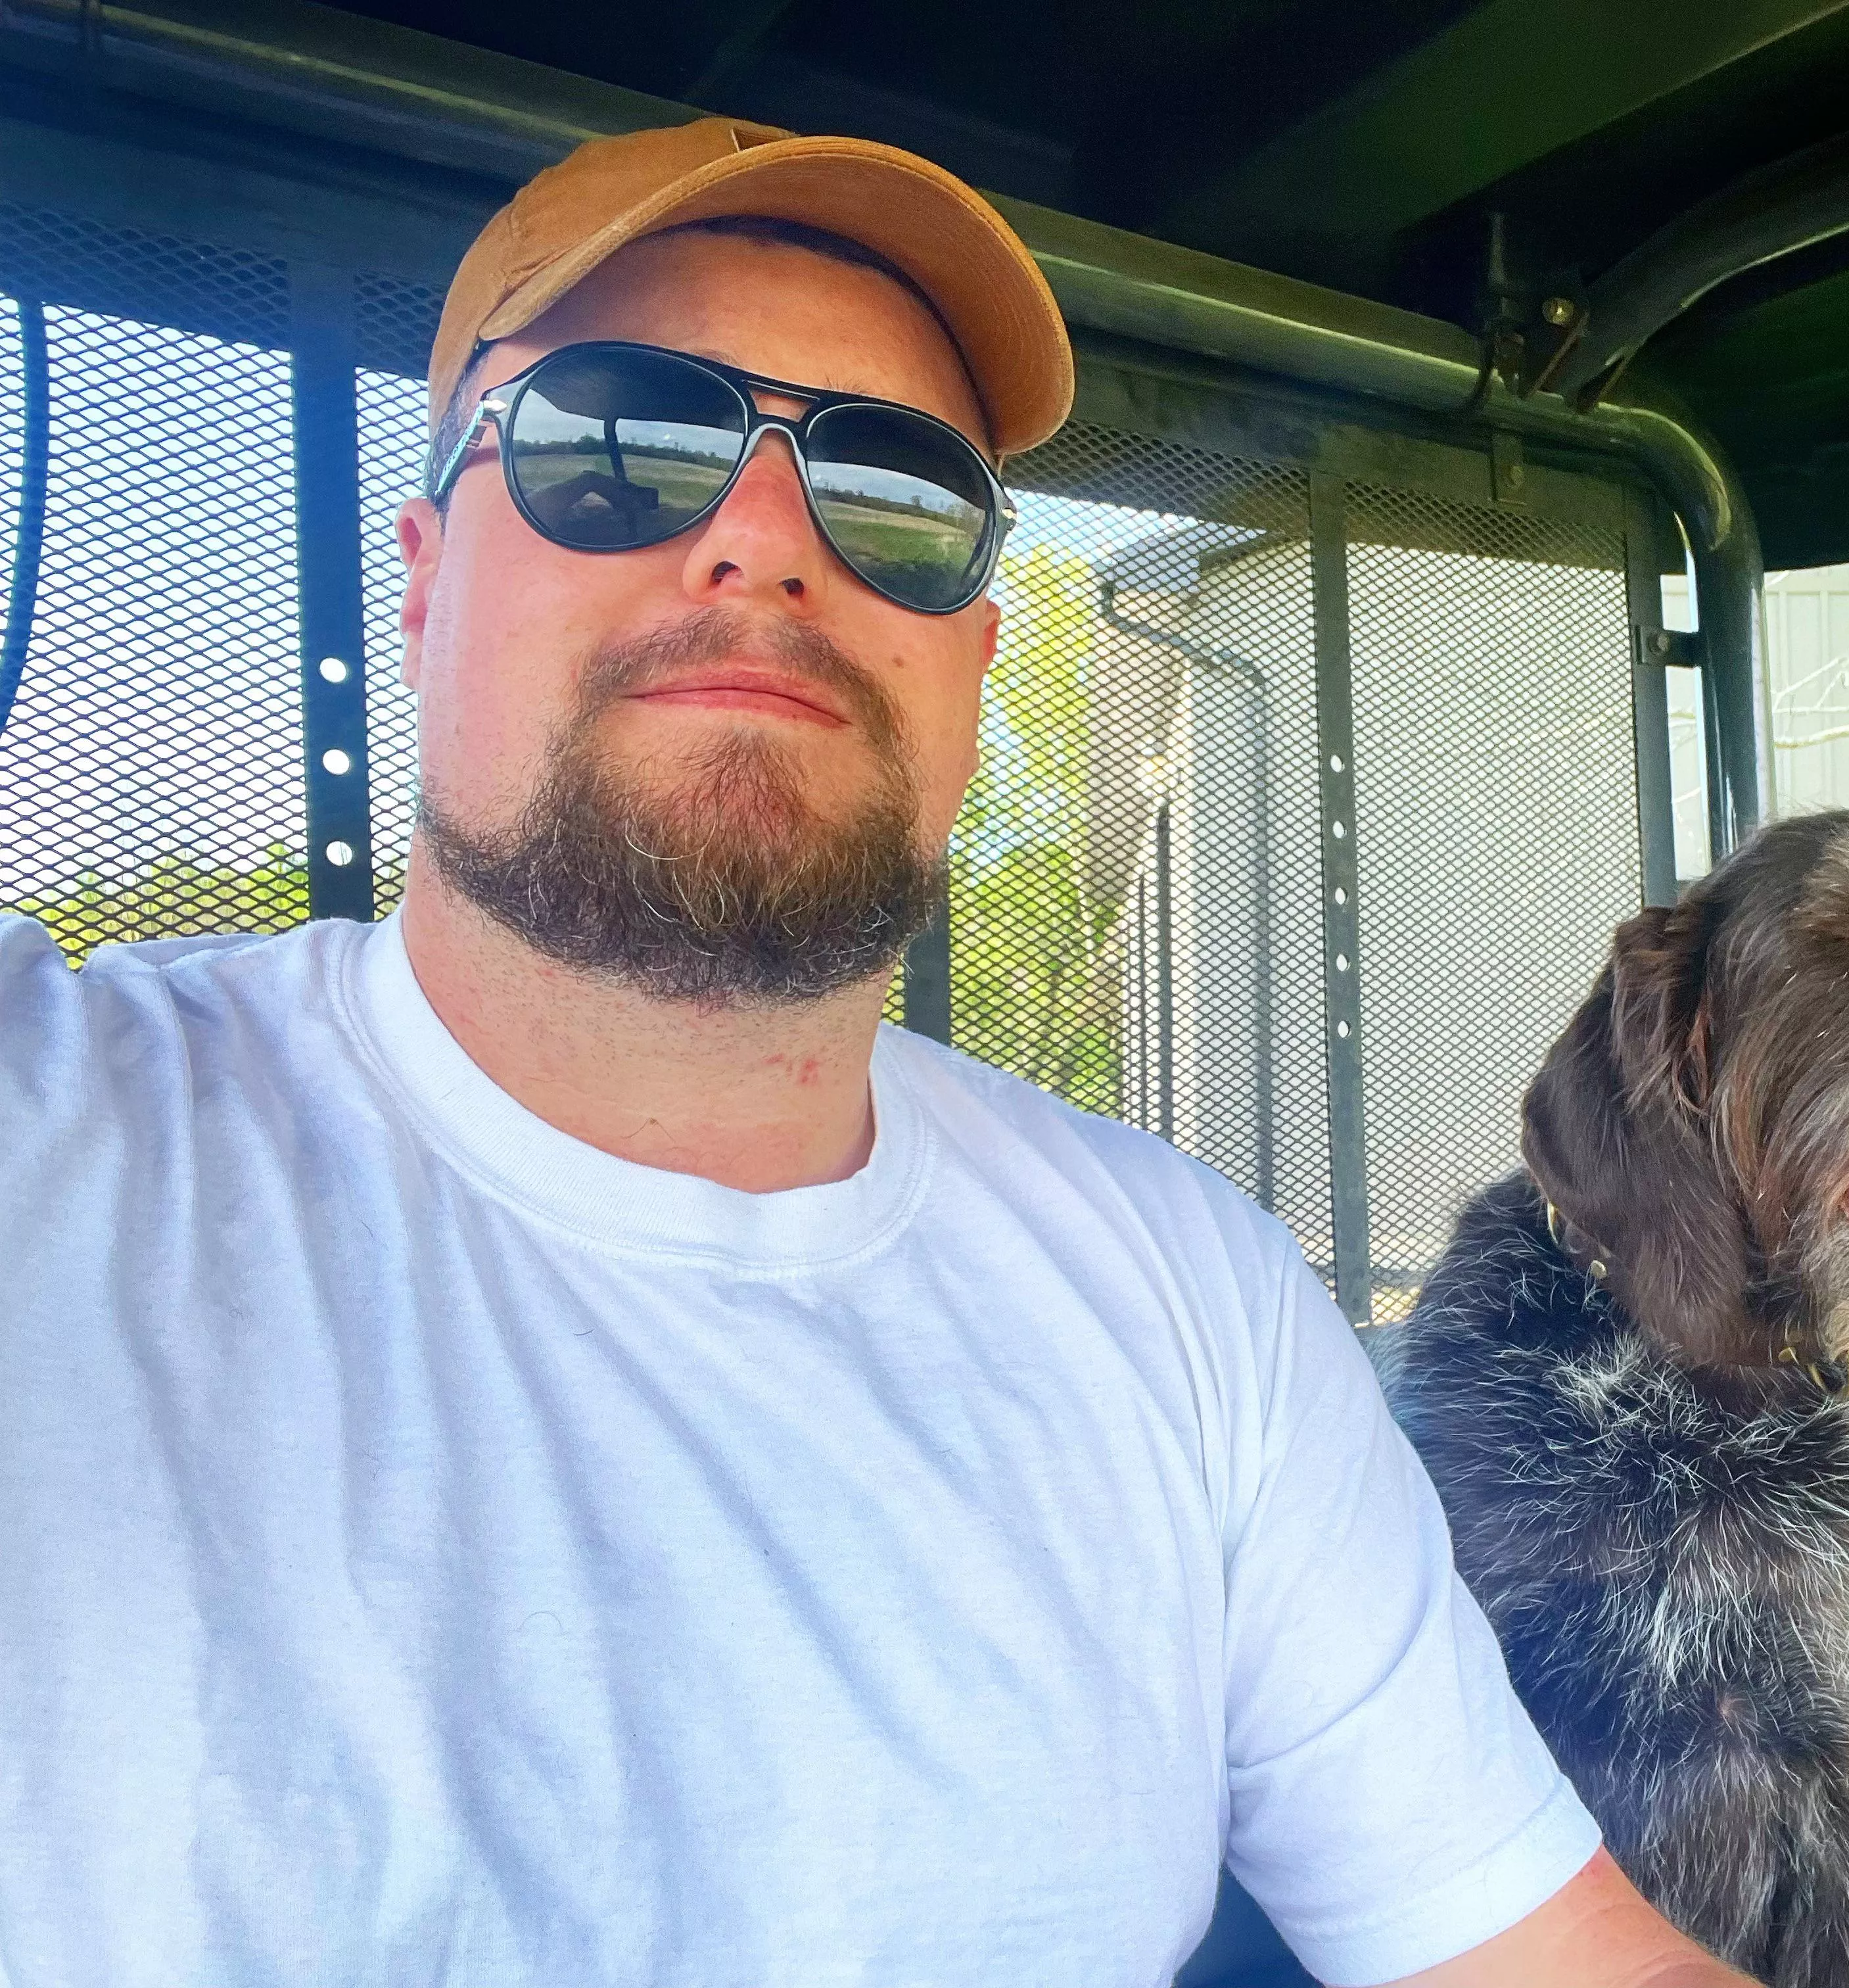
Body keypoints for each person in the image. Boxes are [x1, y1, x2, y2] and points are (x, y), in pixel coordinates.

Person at [0, 118, 1750, 1988]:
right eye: (619, 439)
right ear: (425, 581)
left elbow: (1547, 1956)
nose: (760, 538)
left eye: (895, 491)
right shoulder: (66, 1132)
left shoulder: (1190, 1301)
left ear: (973, 662)